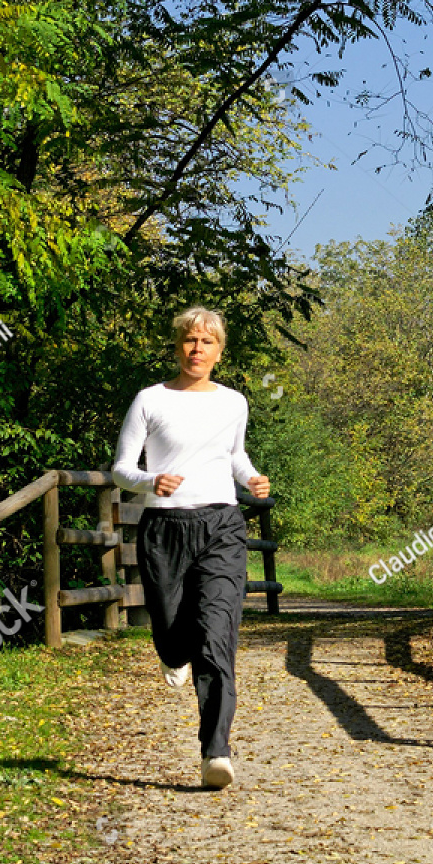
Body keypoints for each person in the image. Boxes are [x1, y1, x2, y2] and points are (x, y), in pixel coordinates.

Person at [111, 307, 270, 789]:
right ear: (177, 345)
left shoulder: (233, 403)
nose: (197, 349)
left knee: (216, 633)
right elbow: (121, 468)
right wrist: (150, 480)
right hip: (164, 528)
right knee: (171, 630)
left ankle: (215, 752)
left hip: (222, 525)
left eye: (207, 342)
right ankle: (172, 652)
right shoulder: (149, 400)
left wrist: (251, 479)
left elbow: (235, 455)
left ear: (220, 352)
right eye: (189, 340)